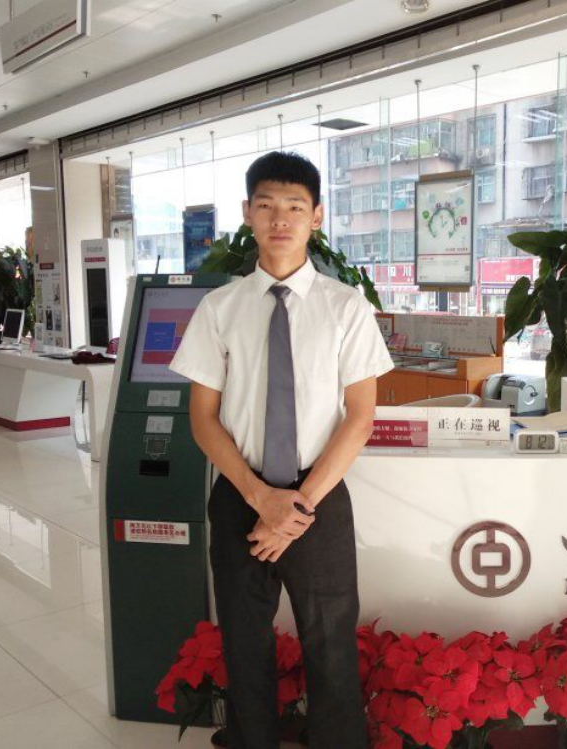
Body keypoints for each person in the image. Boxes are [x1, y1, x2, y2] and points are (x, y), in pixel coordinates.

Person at [170, 151, 393, 748]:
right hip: (241, 495)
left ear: (316, 216)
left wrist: (295, 507)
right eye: (266, 205)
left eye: (295, 206)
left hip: (319, 496)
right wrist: (261, 498)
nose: (280, 219)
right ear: (248, 213)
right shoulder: (220, 309)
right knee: (244, 641)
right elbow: (202, 419)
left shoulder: (345, 307)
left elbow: (360, 418)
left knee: (330, 642)